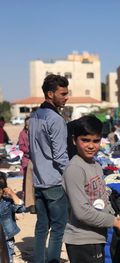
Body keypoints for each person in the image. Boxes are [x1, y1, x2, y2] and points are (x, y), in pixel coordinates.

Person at [62, 115, 120, 263]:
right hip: (81, 241)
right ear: (74, 140)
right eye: (85, 140)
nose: (91, 146)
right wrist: (114, 222)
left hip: (96, 237)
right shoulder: (75, 169)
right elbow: (82, 212)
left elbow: (102, 198)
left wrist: (116, 217)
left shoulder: (96, 165)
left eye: (95, 141)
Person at [29, 74, 70, 263]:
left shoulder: (34, 116)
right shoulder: (55, 119)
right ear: (50, 93)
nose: (66, 97)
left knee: (41, 227)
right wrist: (73, 176)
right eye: (63, 94)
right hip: (54, 182)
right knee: (58, 227)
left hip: (39, 181)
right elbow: (60, 156)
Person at [0, 172, 26, 263]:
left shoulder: (7, 202)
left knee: (7, 259)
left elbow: (22, 209)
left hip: (7, 239)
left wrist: (12, 194)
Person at [17, 117, 35, 213]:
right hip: (26, 160)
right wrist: (29, 151)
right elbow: (21, 146)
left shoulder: (34, 132)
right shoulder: (22, 133)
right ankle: (27, 202)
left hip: (35, 159)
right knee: (26, 181)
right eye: (27, 125)